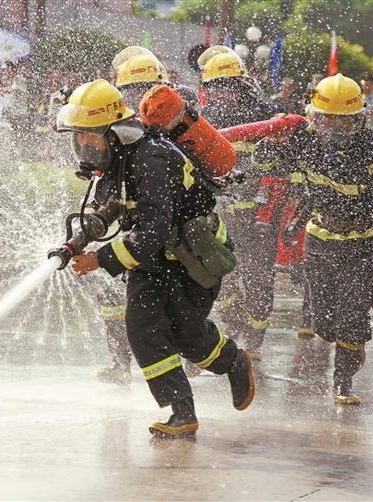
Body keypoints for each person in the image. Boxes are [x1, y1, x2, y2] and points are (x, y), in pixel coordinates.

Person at [57, 79, 255, 438]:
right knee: (142, 329)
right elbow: (111, 206)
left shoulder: (154, 160)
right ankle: (181, 412)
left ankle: (234, 361)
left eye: (91, 137)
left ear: (114, 133)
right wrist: (78, 238)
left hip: (193, 257)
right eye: (79, 137)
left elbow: (154, 231)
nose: (84, 146)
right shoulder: (116, 159)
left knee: (187, 336)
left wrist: (99, 260)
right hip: (152, 261)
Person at [253, 74, 373, 404]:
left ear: (359, 120)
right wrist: (270, 141)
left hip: (365, 243)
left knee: (352, 317)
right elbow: (264, 161)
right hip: (320, 239)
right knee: (323, 324)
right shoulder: (303, 140)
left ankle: (344, 381)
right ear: (315, 118)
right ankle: (343, 355)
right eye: (328, 123)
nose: (336, 131)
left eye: (344, 124)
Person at [93, 46, 201, 386]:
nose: (141, 101)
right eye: (132, 93)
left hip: (166, 234)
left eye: (146, 92)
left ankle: (189, 359)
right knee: (111, 299)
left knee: (170, 305)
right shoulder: (121, 132)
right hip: (131, 226)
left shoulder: (175, 130)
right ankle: (120, 362)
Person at [198, 45, 302, 357]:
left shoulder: (268, 117)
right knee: (221, 278)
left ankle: (255, 339)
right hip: (220, 217)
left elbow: (295, 154)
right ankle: (233, 327)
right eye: (216, 89)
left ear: (243, 87)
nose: (222, 96)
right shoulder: (203, 122)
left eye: (228, 88)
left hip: (260, 218)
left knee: (259, 278)